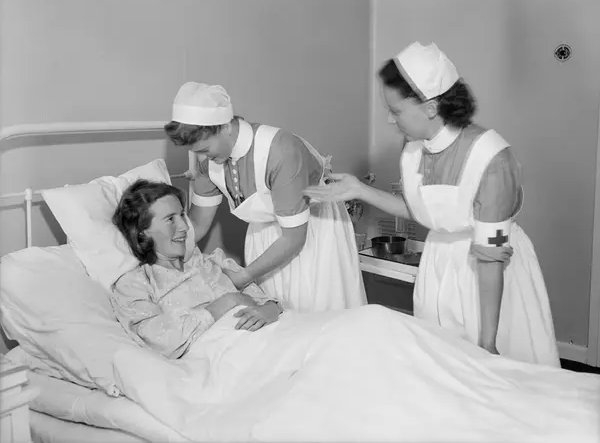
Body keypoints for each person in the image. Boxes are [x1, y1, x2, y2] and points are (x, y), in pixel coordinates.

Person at [304, 41, 560, 367]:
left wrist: (487, 343)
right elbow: (424, 212)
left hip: (489, 273)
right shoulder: (414, 151)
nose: (390, 120)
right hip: (438, 264)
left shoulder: (491, 158)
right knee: (439, 367)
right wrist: (359, 190)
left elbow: (491, 254)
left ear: (430, 107)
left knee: (495, 372)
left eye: (396, 111)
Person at [163, 82, 367, 313]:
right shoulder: (209, 163)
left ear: (225, 126)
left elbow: (294, 238)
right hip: (264, 239)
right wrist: (157, 255)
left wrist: (243, 277)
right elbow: (197, 225)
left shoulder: (280, 150)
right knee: (275, 317)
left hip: (314, 232)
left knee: (320, 315)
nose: (202, 158)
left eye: (204, 149)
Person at [110, 179, 283, 359]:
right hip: (232, 357)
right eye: (170, 219)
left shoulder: (211, 262)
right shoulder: (135, 285)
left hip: (274, 336)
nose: (184, 226)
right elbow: (160, 341)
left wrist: (271, 308)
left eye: (182, 215)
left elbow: (262, 300)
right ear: (142, 231)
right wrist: (227, 302)